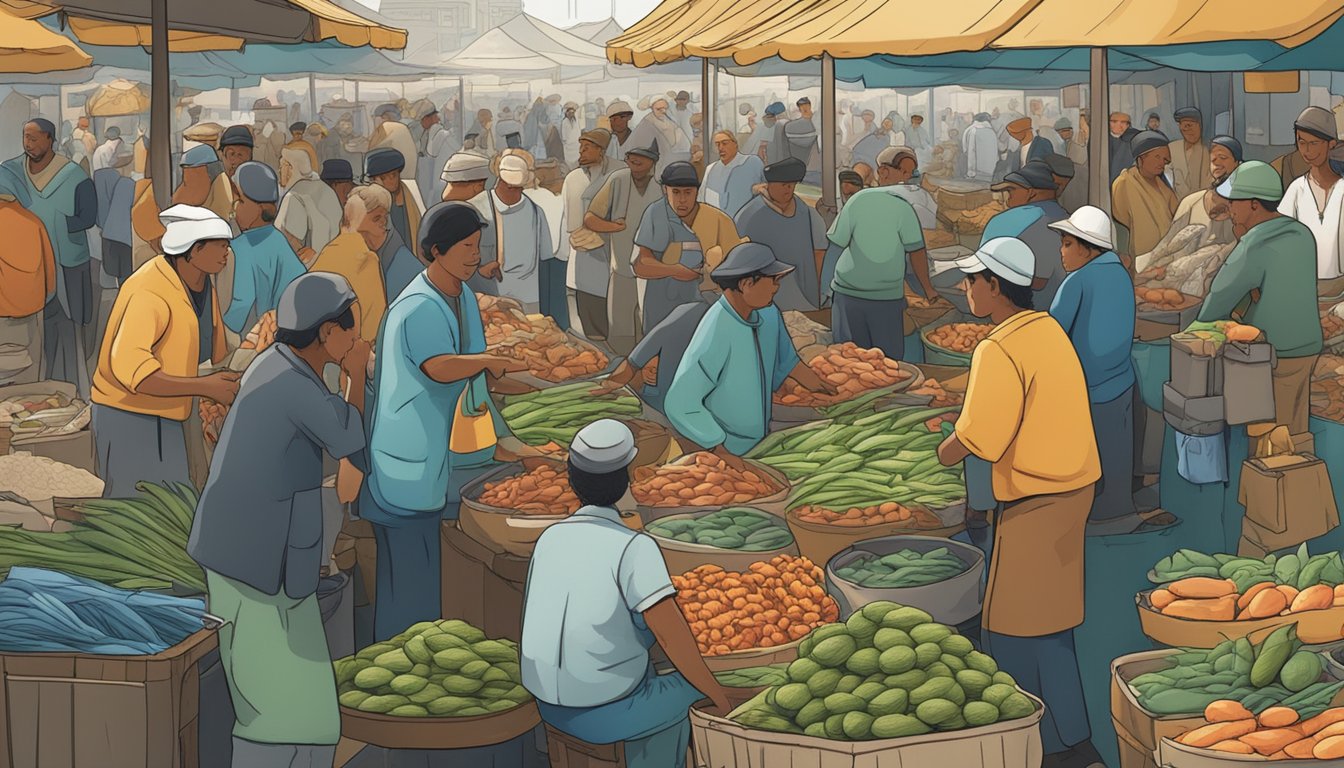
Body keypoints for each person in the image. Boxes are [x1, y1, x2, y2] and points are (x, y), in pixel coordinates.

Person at [188, 272, 368, 768]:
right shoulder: (285, 379)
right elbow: (347, 437)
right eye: (349, 327)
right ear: (326, 333)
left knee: (312, 715)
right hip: (247, 562)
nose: (357, 338)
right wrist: (356, 375)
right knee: (269, 713)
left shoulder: (286, 367)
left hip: (280, 564)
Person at [935, 236, 1102, 768]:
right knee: (1052, 620)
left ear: (994, 286)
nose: (965, 289)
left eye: (971, 280)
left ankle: (1032, 743)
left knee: (1009, 626)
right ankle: (1072, 735)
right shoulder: (1045, 329)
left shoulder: (996, 347)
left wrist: (945, 447)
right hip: (1074, 487)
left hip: (1035, 496)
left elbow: (981, 436)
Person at [521, 419, 730, 766]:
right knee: (696, 691)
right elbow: (671, 635)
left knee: (646, 669)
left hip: (547, 704)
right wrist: (720, 697)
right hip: (605, 712)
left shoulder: (549, 538)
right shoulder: (635, 547)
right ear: (627, 481)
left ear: (572, 481)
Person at [362, 202, 525, 640]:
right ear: (437, 251)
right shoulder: (418, 306)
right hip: (408, 459)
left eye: (478, 246)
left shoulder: (463, 296)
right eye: (466, 247)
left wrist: (507, 439)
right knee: (410, 590)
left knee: (430, 584)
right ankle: (397, 672)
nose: (475, 255)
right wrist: (489, 361)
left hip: (443, 456)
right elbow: (440, 367)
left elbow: (476, 382)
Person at [91, 205, 240, 498]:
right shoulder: (149, 292)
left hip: (170, 413)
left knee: (172, 510)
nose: (226, 253)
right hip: (129, 417)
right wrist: (204, 386)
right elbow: (133, 373)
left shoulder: (200, 283)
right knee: (137, 513)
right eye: (220, 246)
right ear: (194, 251)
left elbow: (208, 346)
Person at [664, 243, 837, 458]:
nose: (777, 287)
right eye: (773, 280)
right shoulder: (715, 328)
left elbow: (788, 362)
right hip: (725, 448)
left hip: (761, 439)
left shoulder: (769, 314)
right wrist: (719, 449)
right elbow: (680, 402)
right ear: (746, 284)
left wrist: (834, 393)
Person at [1198, 161, 1323, 434]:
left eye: (1234, 202)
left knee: (1267, 437)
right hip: (1308, 347)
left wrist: (1201, 324)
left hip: (1273, 353)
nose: (1230, 208)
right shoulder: (1301, 234)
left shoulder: (1255, 244)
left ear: (1254, 204)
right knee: (1296, 433)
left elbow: (1219, 297)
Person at [1046, 207, 1138, 529]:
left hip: (1086, 388)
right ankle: (1119, 512)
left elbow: (1053, 334)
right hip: (1122, 382)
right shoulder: (1120, 275)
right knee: (1116, 454)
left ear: (1087, 248)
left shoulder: (1077, 282)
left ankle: (1092, 522)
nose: (1062, 252)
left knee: (1088, 461)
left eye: (1067, 244)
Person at [3, 118, 96, 393]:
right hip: (27, 265)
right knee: (32, 334)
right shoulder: (10, 174)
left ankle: (71, 389)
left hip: (67, 263)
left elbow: (88, 217)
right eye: (25, 138)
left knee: (67, 329)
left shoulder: (74, 176)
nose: (28, 144)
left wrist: (52, 224)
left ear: (49, 139)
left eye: (34, 138)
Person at [826, 152, 938, 361]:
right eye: (903, 171)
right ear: (883, 172)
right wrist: (825, 289)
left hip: (886, 299)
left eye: (910, 173)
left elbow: (917, 253)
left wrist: (928, 289)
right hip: (849, 297)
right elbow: (836, 245)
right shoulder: (859, 201)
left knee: (886, 363)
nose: (908, 178)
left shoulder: (904, 208)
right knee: (850, 361)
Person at [633, 162, 743, 332]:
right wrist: (674, 270)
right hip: (662, 305)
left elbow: (739, 267)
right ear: (665, 190)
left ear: (697, 192)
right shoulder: (656, 214)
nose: (682, 200)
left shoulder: (718, 220)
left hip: (705, 304)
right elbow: (641, 265)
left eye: (688, 192)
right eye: (675, 192)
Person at [586, 142, 663, 356]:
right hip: (621, 271)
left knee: (650, 332)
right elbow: (590, 218)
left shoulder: (661, 189)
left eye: (642, 156)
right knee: (620, 334)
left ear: (653, 161)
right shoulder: (618, 180)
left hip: (653, 274)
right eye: (631, 156)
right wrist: (613, 226)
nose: (635, 161)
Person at [733, 158, 827, 312]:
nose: (789, 189)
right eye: (784, 185)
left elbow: (819, 254)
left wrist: (815, 291)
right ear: (770, 184)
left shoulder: (808, 214)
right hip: (761, 302)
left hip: (804, 299)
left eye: (792, 185)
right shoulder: (748, 217)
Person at [224, 162, 306, 335]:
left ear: (259, 208)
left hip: (266, 337)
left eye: (240, 201)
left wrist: (219, 333)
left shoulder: (242, 248)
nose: (235, 208)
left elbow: (242, 303)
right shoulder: (278, 239)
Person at [309, 185, 393, 343]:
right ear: (358, 221)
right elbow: (373, 328)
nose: (383, 226)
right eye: (377, 218)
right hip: (348, 353)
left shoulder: (328, 251)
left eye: (385, 219)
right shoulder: (367, 260)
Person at [981, 161, 1070, 308]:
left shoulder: (1005, 221)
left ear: (1031, 192)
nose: (1008, 199)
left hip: (1024, 311)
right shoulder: (1070, 219)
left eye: (1011, 191)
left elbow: (983, 276)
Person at [560, 129, 616, 339]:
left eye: (587, 148)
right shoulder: (573, 179)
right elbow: (571, 222)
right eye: (580, 147)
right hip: (580, 258)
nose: (581, 153)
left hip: (608, 257)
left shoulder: (616, 176)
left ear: (601, 151)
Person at [0, 166, 52, 386]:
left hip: (2, 310)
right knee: (28, 373)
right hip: (32, 309)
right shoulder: (34, 222)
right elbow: (50, 272)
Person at [1279, 107, 1344, 280]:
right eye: (1302, 142)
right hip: (1302, 281)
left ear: (1331, 144)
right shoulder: (1296, 189)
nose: (1307, 150)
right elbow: (1282, 237)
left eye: (1314, 143)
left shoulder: (1342, 189)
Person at [1112, 131, 1177, 262]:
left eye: (1164, 159)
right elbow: (1122, 223)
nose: (1162, 163)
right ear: (1141, 158)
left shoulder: (1164, 187)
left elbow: (1176, 215)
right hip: (1140, 259)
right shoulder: (1124, 183)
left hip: (1167, 256)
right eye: (1157, 157)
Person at [275, 147, 342, 266]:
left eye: (282, 166)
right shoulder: (327, 190)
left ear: (291, 168)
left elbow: (287, 242)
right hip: (334, 264)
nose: (279, 170)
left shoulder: (294, 196)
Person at [364, 147, 425, 261]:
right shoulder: (369, 201)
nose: (391, 180)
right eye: (384, 177)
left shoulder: (410, 194)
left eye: (393, 175)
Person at [699, 131, 765, 219]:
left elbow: (768, 191)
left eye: (725, 143)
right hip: (717, 225)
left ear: (735, 144)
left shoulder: (753, 163)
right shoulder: (711, 169)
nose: (721, 148)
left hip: (746, 224)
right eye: (717, 144)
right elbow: (701, 200)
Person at [367, 104, 419, 188]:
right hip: (408, 182)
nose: (373, 120)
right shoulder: (403, 128)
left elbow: (373, 152)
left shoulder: (386, 128)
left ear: (384, 117)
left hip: (390, 183)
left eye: (374, 117)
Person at [630, 97, 689, 168]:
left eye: (665, 108)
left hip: (673, 158)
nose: (663, 111)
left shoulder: (669, 121)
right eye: (659, 109)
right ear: (652, 109)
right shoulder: (646, 123)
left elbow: (683, 142)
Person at [1167, 108, 1212, 200]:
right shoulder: (1172, 148)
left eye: (1191, 125)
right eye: (1185, 127)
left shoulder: (1209, 150)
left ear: (1200, 125)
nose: (1189, 130)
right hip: (1177, 205)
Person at [415, 102, 451, 205]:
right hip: (428, 176)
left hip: (434, 176)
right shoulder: (426, 132)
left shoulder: (438, 132)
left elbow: (431, 153)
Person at [997, 116, 1052, 180]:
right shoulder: (1018, 150)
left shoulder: (1043, 143)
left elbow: (1047, 167)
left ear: (1026, 131)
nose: (1014, 137)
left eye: (1015, 134)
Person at [963, 112, 998, 181]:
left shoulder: (973, 130)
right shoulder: (992, 131)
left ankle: (971, 174)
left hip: (976, 173)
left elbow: (971, 150)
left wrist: (971, 171)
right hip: (990, 173)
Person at [1108, 112, 1141, 185]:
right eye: (1114, 121)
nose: (1118, 125)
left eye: (1123, 122)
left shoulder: (1134, 141)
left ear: (1128, 125)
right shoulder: (1103, 140)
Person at [561, 102, 583, 167]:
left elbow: (578, 130)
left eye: (572, 113)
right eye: (569, 113)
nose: (571, 114)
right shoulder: (565, 121)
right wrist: (565, 140)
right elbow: (563, 132)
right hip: (568, 143)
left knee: (577, 154)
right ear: (566, 113)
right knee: (568, 158)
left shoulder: (575, 121)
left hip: (575, 142)